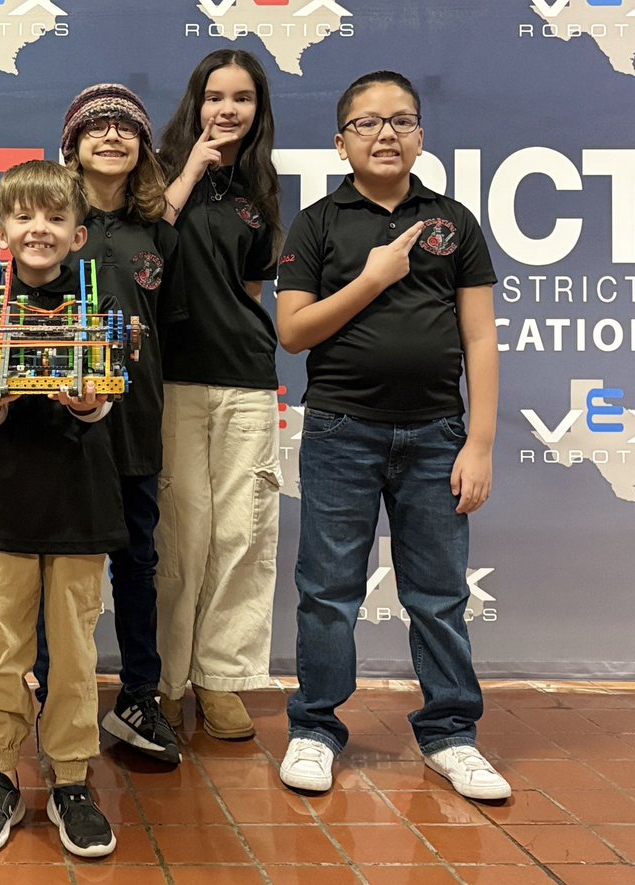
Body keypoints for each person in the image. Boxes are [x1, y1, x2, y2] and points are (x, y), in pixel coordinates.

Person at [275, 71, 510, 801]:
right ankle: (315, 728)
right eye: (368, 123)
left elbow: (480, 338)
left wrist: (479, 442)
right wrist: (374, 277)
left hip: (437, 435)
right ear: (340, 141)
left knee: (438, 593)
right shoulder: (316, 223)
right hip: (341, 431)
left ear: (420, 136)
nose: (386, 134)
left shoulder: (453, 221)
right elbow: (293, 332)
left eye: (401, 121)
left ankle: (451, 734)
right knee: (328, 591)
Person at [0, 160, 123, 859]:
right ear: (2, 233)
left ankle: (72, 779)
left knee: (75, 654)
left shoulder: (97, 306)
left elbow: (111, 395)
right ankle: (0, 775)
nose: (39, 229)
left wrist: (89, 404)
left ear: (78, 234)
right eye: (24, 217)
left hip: (80, 501)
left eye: (54, 217)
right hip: (5, 503)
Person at [31, 84, 183, 765]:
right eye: (96, 126)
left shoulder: (160, 234)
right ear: (72, 145)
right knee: (58, 563)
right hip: (60, 427)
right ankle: (48, 694)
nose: (112, 135)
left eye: (126, 126)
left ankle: (139, 695)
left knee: (137, 562)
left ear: (144, 146)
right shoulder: (53, 223)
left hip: (135, 425)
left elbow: (169, 330)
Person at [154, 49, 284, 739]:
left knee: (241, 534)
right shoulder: (158, 171)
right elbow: (144, 247)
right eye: (215, 96)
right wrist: (192, 170)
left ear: (258, 110)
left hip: (245, 378)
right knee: (181, 538)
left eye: (242, 98)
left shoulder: (260, 189)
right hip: (172, 375)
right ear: (195, 103)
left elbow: (251, 289)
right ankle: (166, 681)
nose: (227, 109)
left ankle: (222, 677)